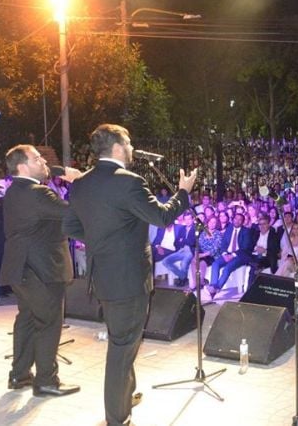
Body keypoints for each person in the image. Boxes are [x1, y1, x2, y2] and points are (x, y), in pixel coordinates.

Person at [63, 124, 196, 426]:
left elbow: (69, 227)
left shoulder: (81, 183)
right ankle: (117, 417)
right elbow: (162, 217)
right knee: (122, 350)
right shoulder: (129, 182)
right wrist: (184, 192)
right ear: (119, 147)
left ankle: (125, 397)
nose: (133, 149)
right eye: (130, 143)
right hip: (129, 281)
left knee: (124, 341)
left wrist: (101, 241)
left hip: (104, 278)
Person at [0, 145, 80, 398]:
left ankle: (20, 374)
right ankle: (46, 380)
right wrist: (77, 183)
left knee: (27, 320)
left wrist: (57, 171)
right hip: (42, 269)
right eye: (37, 158)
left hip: (20, 267)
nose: (43, 160)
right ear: (22, 167)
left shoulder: (15, 191)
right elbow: (73, 213)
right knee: (48, 323)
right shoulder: (38, 193)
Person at [161, 211, 198, 287]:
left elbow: (192, 242)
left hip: (191, 251)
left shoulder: (196, 228)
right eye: (186, 220)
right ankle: (182, 277)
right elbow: (176, 242)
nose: (187, 221)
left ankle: (182, 280)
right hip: (181, 250)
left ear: (193, 219)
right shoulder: (182, 228)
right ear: (184, 220)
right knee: (165, 261)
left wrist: (183, 240)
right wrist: (183, 242)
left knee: (183, 263)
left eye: (189, 219)